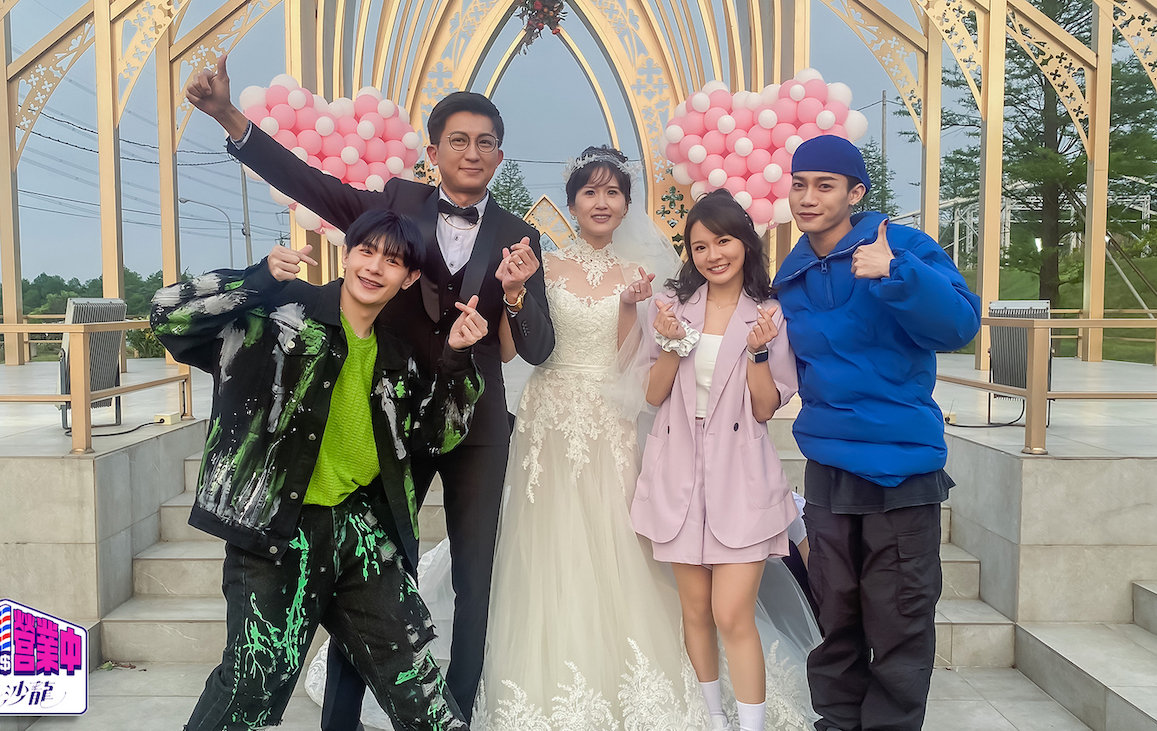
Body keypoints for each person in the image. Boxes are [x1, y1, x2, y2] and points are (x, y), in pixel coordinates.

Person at [185, 56, 556, 729]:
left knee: (475, 576)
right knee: (375, 562)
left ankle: (454, 711)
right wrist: (230, 118)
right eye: (458, 140)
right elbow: (311, 183)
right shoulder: (396, 204)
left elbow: (538, 347)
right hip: (394, 415)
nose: (472, 152)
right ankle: (341, 719)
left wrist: (519, 294)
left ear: (500, 157)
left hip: (474, 419)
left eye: (485, 143)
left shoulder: (520, 236)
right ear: (434, 152)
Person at [151, 209, 489, 731]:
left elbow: (436, 438)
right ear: (347, 255)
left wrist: (457, 359)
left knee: (418, 686)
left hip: (359, 529)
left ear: (408, 279)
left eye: (392, 261)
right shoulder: (279, 317)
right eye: (366, 252)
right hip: (274, 530)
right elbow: (167, 315)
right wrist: (259, 278)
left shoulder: (396, 357)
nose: (374, 267)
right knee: (252, 687)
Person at [774, 135, 981, 731]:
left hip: (900, 468)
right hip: (829, 469)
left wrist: (896, 272)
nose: (808, 197)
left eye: (825, 185)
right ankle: (837, 721)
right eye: (799, 184)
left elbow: (960, 325)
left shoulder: (901, 247)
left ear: (855, 193)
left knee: (900, 617)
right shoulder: (791, 277)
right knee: (834, 613)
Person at [634, 189, 803, 731]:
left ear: (745, 243)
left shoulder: (769, 314)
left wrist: (758, 352)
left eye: (723, 241)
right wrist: (670, 345)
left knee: (732, 614)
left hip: (740, 476)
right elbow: (653, 395)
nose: (713, 255)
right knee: (695, 612)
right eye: (700, 246)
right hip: (679, 473)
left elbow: (765, 407)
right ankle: (714, 719)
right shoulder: (671, 307)